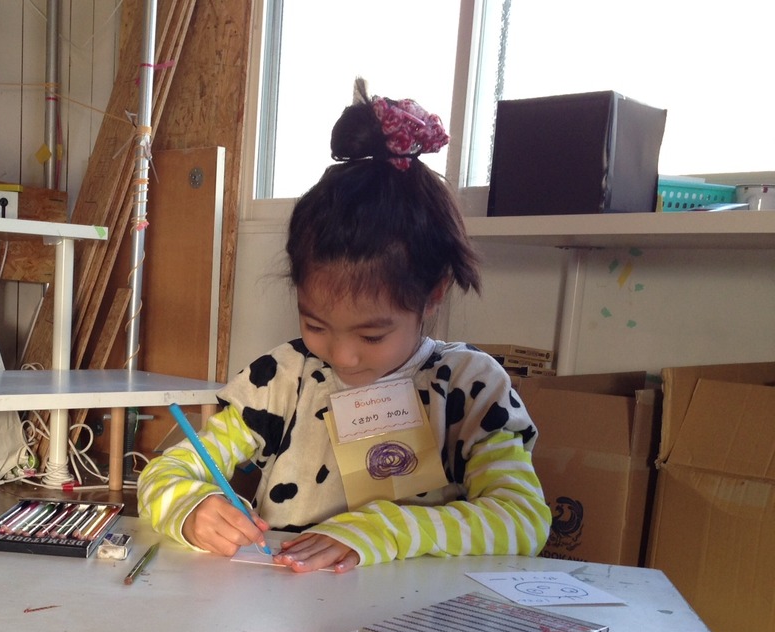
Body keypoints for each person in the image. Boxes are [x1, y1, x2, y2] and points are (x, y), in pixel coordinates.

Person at [138, 79, 550, 574]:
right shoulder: (281, 378)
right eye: (315, 324)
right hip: (282, 606)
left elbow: (524, 520)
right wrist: (190, 508)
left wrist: (380, 529)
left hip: (411, 613)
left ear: (434, 292)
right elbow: (165, 473)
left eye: (372, 335)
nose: (342, 355)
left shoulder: (470, 386)